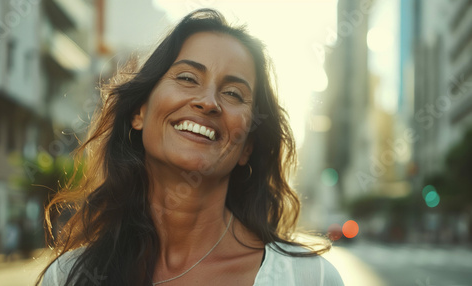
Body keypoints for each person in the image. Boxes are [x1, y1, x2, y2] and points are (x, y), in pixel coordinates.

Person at [37, 8, 344, 286]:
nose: (208, 102)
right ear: (138, 112)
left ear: (247, 146)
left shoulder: (309, 278)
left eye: (234, 94)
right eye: (187, 78)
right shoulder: (67, 278)